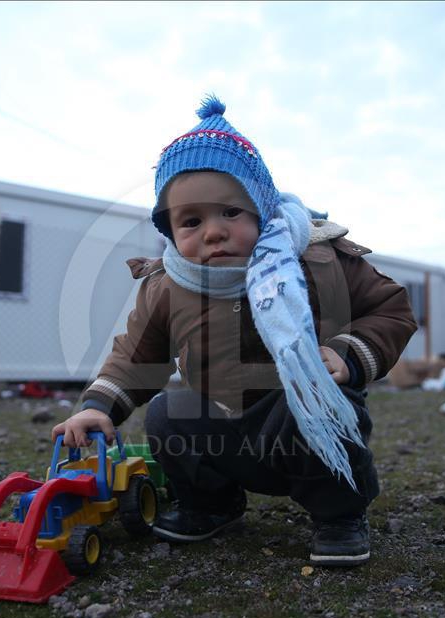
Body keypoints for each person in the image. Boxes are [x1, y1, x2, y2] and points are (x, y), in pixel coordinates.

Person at [51, 96, 416, 567]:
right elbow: (137, 357)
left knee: (316, 401)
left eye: (230, 213)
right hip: (227, 423)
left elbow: (392, 308)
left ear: (261, 209)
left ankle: (339, 515)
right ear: (169, 230)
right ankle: (212, 503)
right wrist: (97, 408)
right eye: (191, 221)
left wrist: (346, 354)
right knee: (167, 413)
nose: (213, 232)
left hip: (302, 413)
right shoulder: (168, 284)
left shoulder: (317, 259)